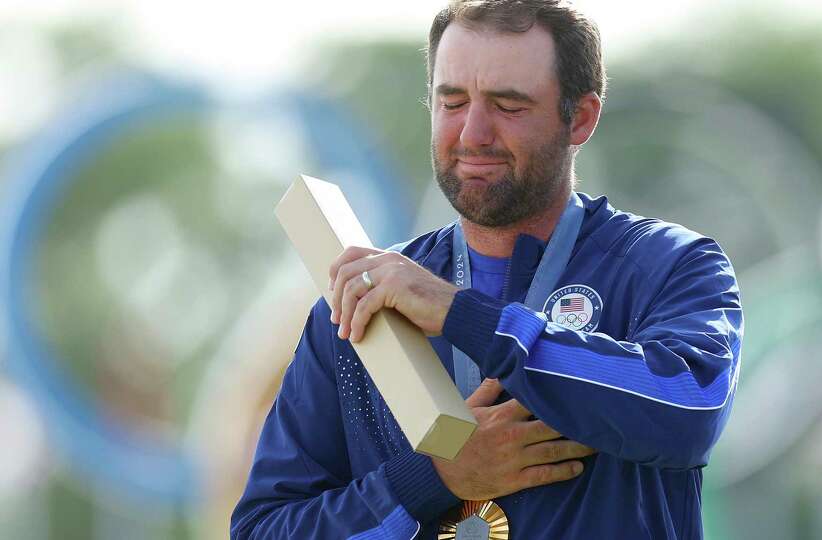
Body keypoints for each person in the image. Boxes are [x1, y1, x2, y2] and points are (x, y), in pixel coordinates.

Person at [231, 1, 743, 538]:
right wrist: (430, 480)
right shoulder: (355, 307)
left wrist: (464, 316)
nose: (473, 132)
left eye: (509, 105)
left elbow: (691, 406)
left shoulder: (670, 265)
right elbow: (264, 530)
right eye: (451, 101)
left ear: (582, 117)